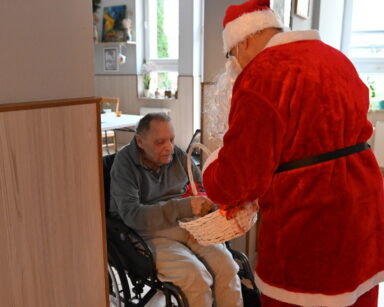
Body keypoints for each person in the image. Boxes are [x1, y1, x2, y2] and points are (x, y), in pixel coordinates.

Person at [202, 0, 384, 306]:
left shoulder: (263, 73)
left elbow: (239, 179)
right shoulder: (335, 58)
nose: (237, 63)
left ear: (244, 41)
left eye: (233, 54)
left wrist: (211, 170)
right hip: (365, 215)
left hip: (310, 223)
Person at [109, 112, 243, 307]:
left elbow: (203, 188)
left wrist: (210, 210)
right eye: (160, 142)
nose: (169, 148)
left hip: (188, 225)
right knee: (196, 277)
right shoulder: (124, 165)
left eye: (171, 139)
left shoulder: (177, 155)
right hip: (148, 233)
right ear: (140, 141)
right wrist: (185, 206)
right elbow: (133, 216)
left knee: (227, 267)